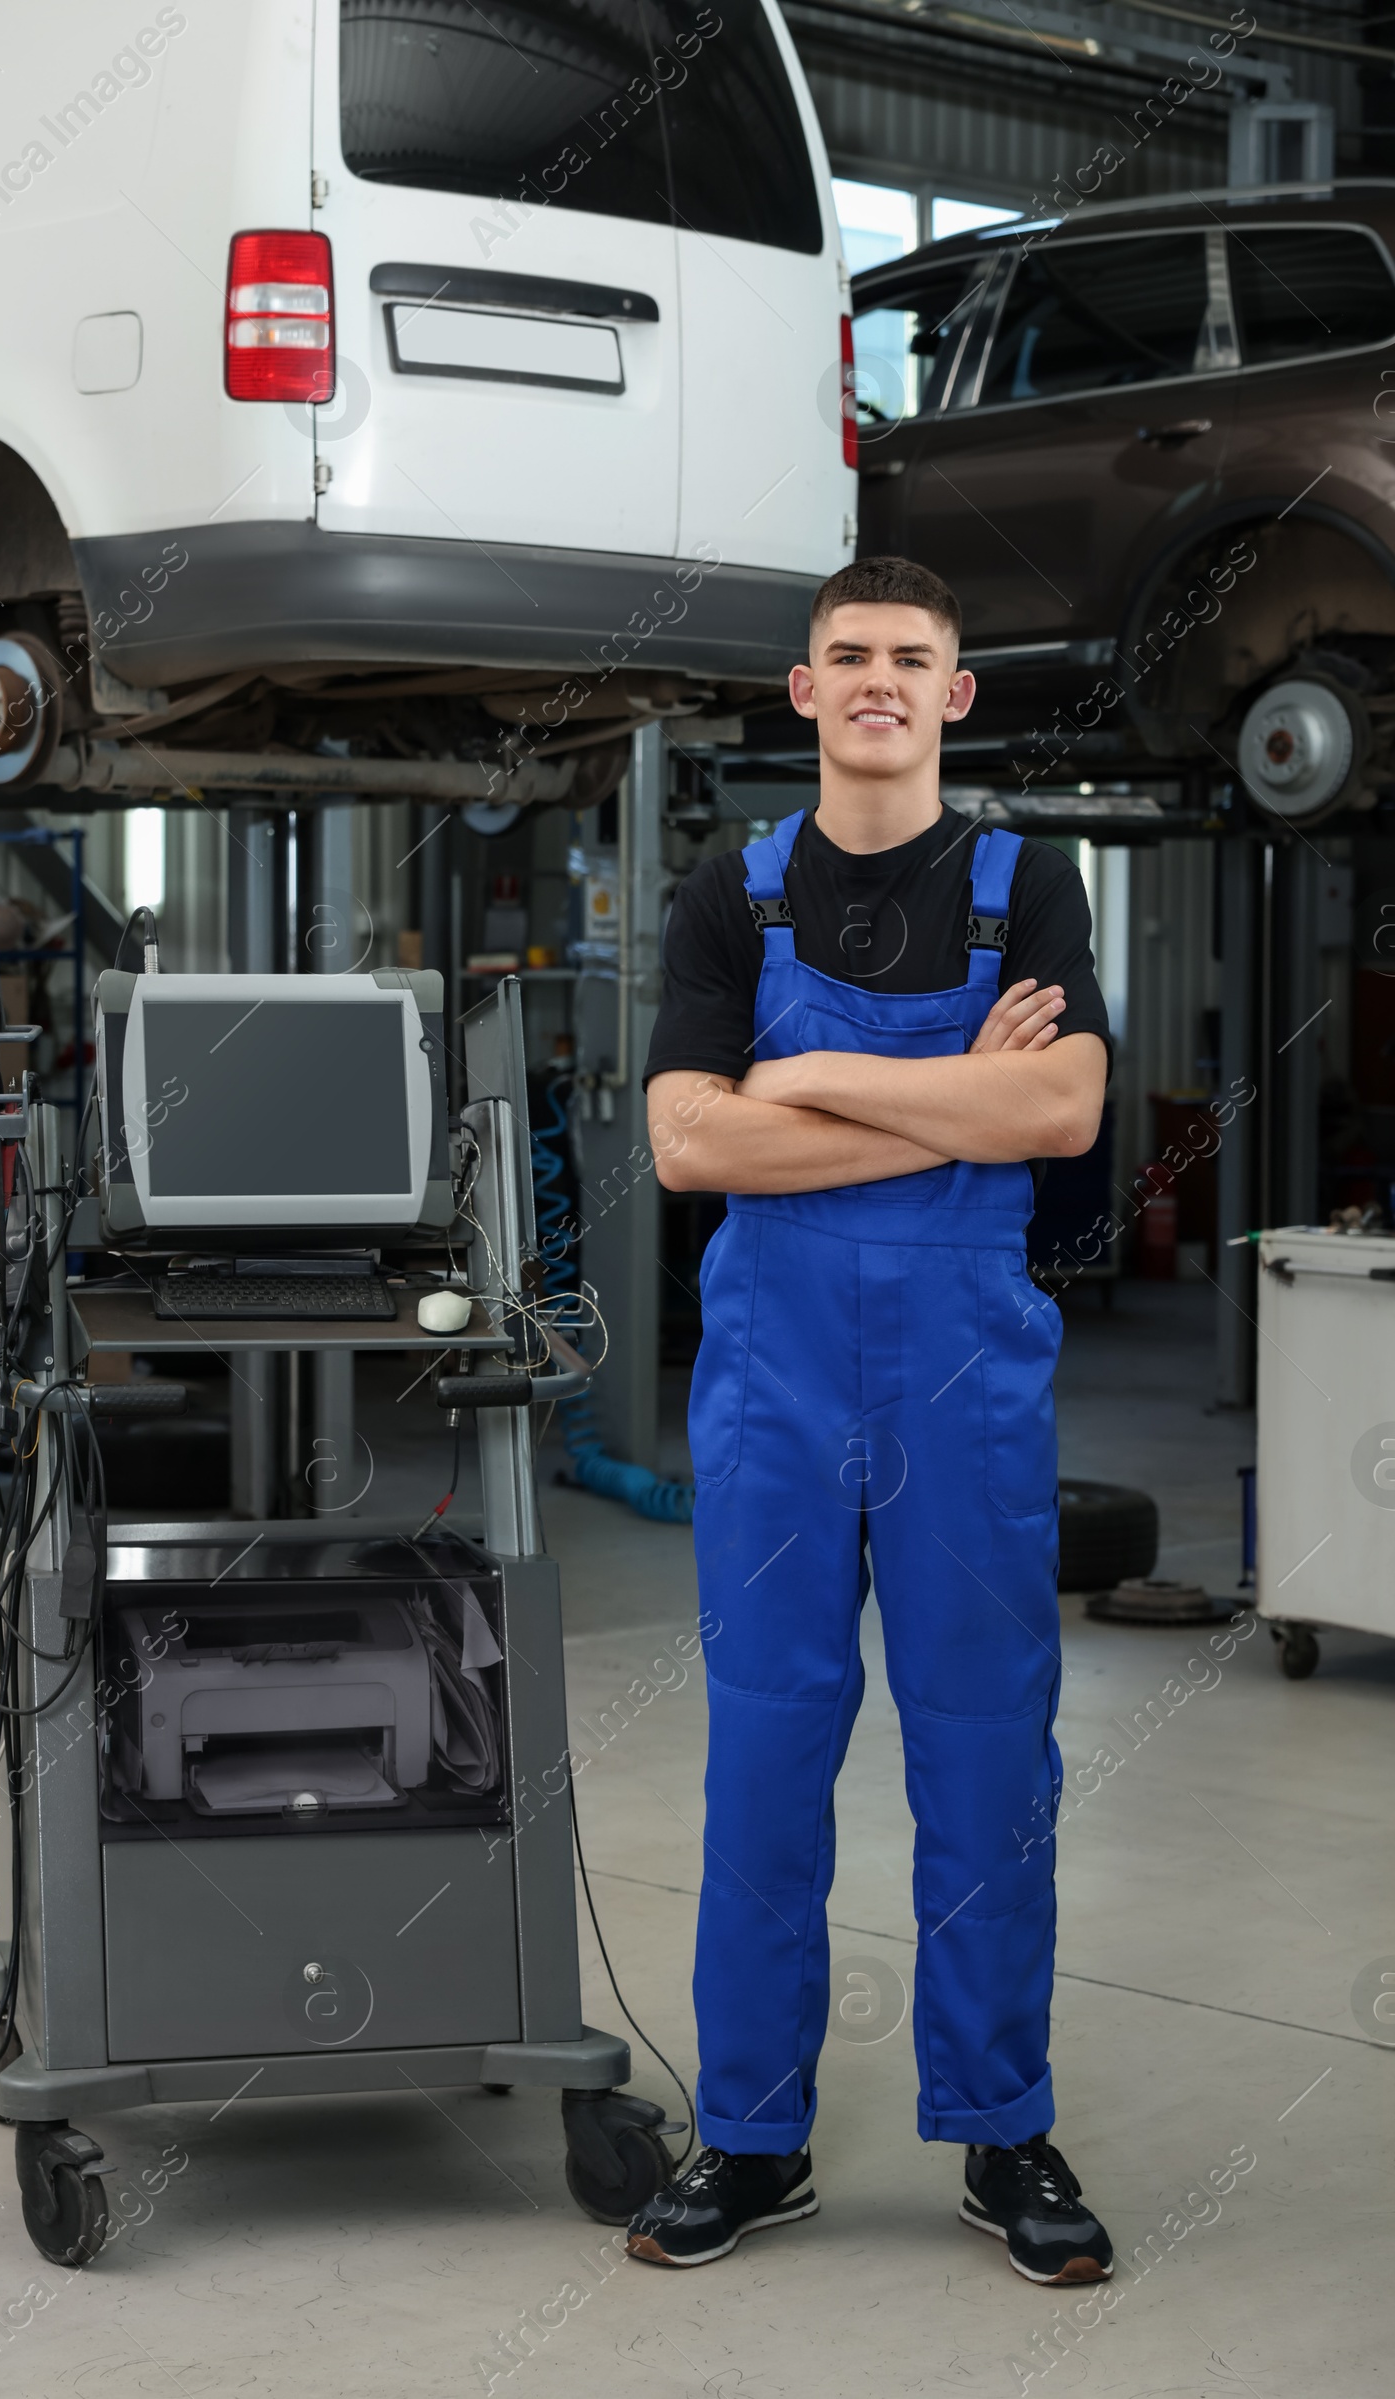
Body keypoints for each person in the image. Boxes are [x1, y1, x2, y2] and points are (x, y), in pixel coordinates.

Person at [626, 556, 1114, 2285]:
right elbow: (688, 1147)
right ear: (805, 688)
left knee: (989, 1755)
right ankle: (751, 2139)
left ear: (955, 694)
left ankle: (1004, 2133)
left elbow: (1061, 1108)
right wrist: (952, 1106)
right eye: (853, 656)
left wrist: (809, 1081)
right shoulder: (729, 894)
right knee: (765, 1756)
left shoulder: (1028, 883)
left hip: (967, 1388)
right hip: (774, 1391)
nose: (883, 680)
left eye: (915, 656)